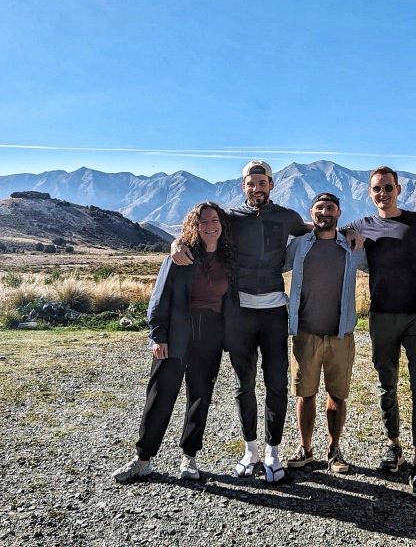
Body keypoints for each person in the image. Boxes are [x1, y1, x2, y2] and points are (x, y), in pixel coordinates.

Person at [171, 160, 309, 483]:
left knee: (277, 383)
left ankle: (273, 453)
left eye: (262, 183)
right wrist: (175, 243)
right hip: (239, 312)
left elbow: (318, 233)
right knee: (243, 383)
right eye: (251, 184)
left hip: (275, 310)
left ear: (271, 185)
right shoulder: (231, 219)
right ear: (243, 186)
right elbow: (197, 233)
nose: (256, 188)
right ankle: (251, 451)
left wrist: (351, 235)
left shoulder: (287, 217)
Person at [113, 202, 239, 482]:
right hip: (177, 334)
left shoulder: (229, 259)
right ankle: (143, 459)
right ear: (193, 227)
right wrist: (158, 335)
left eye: (214, 220)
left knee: (200, 397)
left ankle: (189, 459)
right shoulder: (180, 257)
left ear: (222, 224)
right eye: (202, 221)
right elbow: (159, 299)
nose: (209, 226)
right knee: (160, 396)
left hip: (211, 335)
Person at [352, 166, 416, 500]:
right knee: (387, 384)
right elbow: (322, 231)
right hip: (381, 316)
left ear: (399, 189)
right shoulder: (363, 227)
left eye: (387, 188)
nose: (382, 194)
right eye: (376, 189)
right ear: (370, 193)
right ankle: (392, 446)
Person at [282, 192, 367, 473]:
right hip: (305, 332)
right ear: (311, 212)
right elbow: (272, 265)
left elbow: (381, 263)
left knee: (337, 395)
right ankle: (305, 449)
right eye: (320, 207)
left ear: (339, 213)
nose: (325, 212)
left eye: (331, 207)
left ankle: (334, 450)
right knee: (304, 394)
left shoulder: (353, 246)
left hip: (340, 334)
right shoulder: (299, 246)